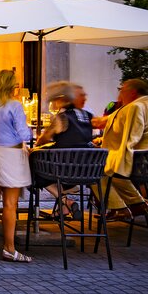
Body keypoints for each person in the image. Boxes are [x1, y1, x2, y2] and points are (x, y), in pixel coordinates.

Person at [98, 79, 148, 222]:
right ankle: (139, 203)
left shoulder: (136, 107)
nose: (120, 94)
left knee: (95, 168)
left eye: (122, 90)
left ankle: (125, 207)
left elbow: (131, 140)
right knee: (109, 165)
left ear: (133, 92)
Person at [0, 69, 33, 263]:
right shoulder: (14, 105)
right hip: (10, 155)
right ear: (12, 86)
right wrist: (32, 134)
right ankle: (9, 248)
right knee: (10, 204)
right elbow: (24, 134)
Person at [33, 81, 94, 220]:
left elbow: (43, 140)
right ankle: (63, 206)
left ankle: (65, 200)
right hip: (86, 170)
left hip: (64, 169)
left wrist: (39, 140)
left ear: (61, 100)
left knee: (33, 166)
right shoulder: (88, 116)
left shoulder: (62, 118)